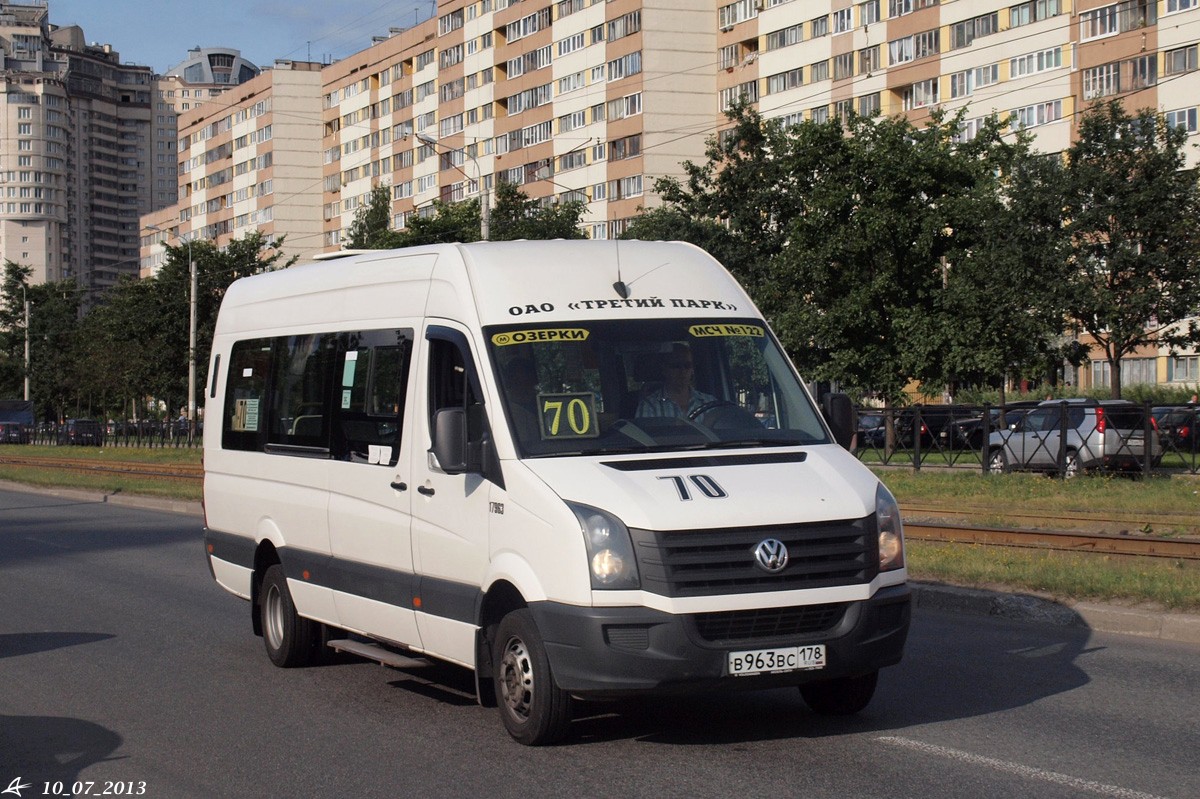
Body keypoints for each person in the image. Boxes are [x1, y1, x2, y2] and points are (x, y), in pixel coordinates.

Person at [636, 343, 715, 419]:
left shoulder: (710, 402)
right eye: (676, 366)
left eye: (687, 365)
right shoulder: (649, 406)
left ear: (692, 369)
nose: (682, 371)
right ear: (664, 369)